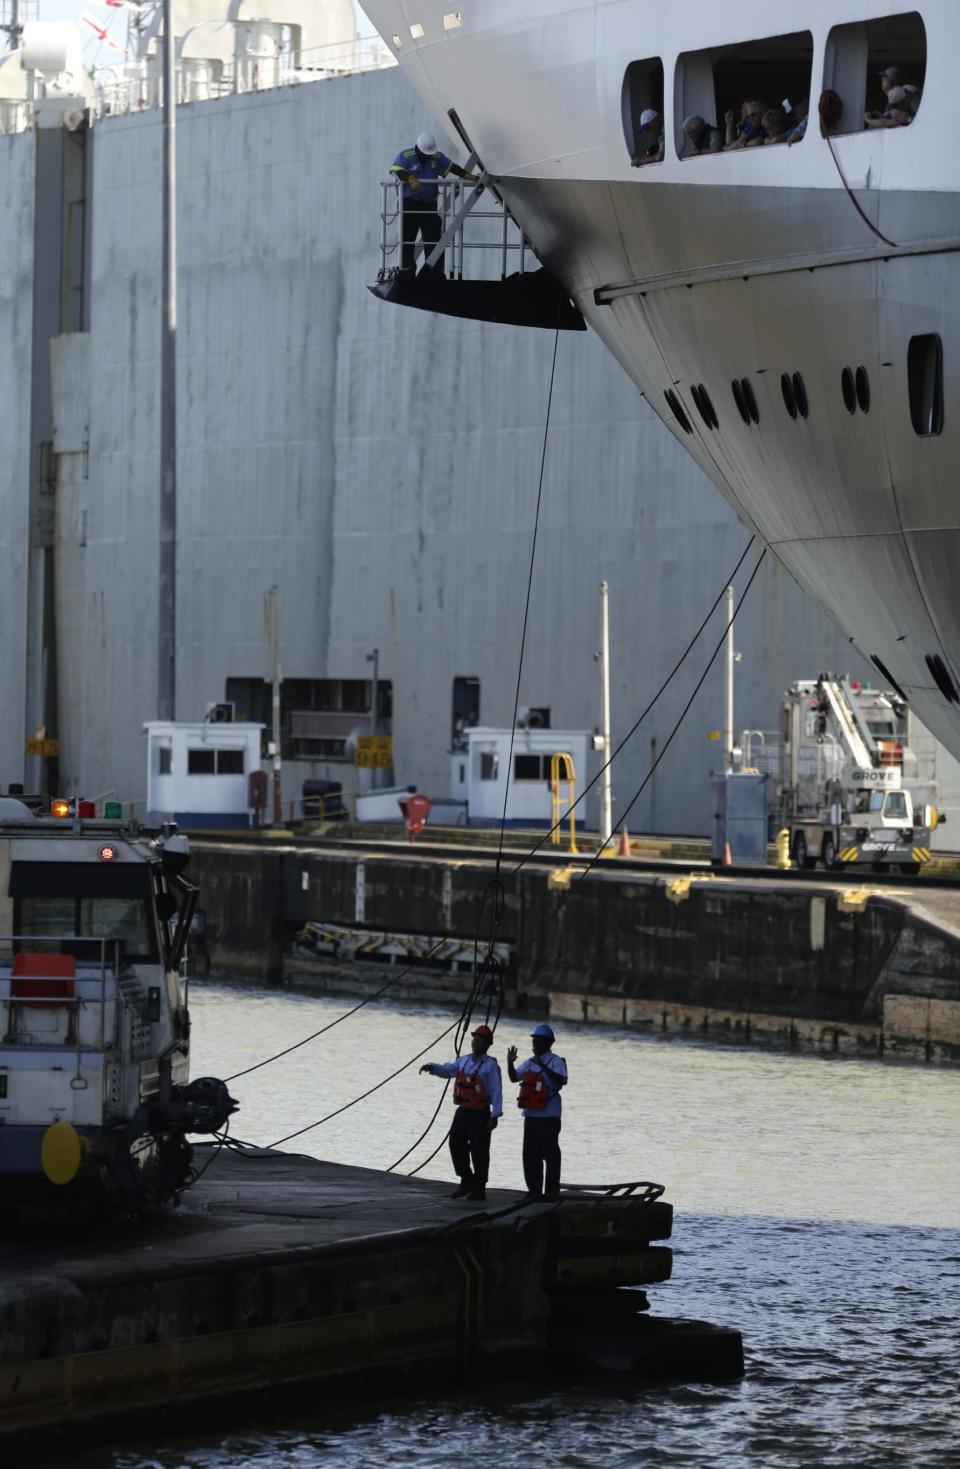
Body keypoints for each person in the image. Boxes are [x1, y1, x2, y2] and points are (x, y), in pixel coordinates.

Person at [420, 1023, 502, 1201]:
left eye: (480, 1041)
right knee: (455, 1143)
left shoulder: (491, 1066)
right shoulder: (463, 1061)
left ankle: (479, 1188)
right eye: (475, 1039)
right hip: (464, 1111)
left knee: (479, 1150)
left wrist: (495, 1116)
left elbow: (496, 1091)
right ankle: (466, 1179)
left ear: (487, 1045)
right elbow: (448, 1070)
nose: (476, 1043)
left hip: (481, 1113)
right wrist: (432, 1067)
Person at [390, 132, 478, 278]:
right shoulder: (405, 156)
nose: (427, 156)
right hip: (409, 204)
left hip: (429, 205)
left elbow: (452, 167)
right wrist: (410, 178)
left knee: (433, 237)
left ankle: (434, 273)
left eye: (428, 154)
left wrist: (468, 176)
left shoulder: (436, 157)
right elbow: (396, 171)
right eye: (425, 153)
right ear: (418, 148)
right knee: (407, 239)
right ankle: (407, 270)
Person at [507, 1023, 568, 1201]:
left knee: (550, 1155)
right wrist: (510, 1062)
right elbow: (513, 1078)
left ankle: (551, 1192)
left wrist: (542, 1063)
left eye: (539, 1042)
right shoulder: (529, 1063)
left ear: (548, 1044)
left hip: (549, 1116)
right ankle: (533, 1191)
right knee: (530, 1155)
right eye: (534, 1041)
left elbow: (562, 1080)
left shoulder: (556, 1061)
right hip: (531, 1116)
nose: (535, 1045)